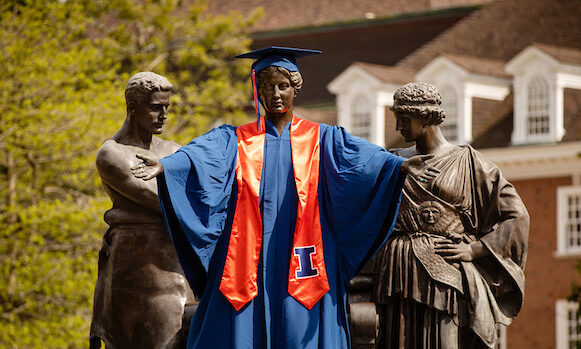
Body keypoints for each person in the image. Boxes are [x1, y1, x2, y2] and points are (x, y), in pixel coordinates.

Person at [132, 47, 437, 349]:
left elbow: (362, 161)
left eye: (283, 86)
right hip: (248, 253)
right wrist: (166, 167)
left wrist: (396, 166)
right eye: (267, 87)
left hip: (307, 254)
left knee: (300, 319)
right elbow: (199, 158)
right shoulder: (234, 139)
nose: (276, 93)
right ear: (258, 92)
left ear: (295, 89)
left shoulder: (324, 138)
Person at [373, 82, 529, 349]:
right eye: (397, 119)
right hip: (396, 271)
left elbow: (517, 216)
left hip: (446, 276)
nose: (399, 127)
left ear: (426, 118)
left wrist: (476, 249)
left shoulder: (470, 163)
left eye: (404, 119)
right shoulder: (391, 161)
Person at [91, 72, 195, 349]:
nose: (163, 115)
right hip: (141, 267)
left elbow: (198, 197)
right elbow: (163, 202)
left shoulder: (174, 150)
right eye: (155, 107)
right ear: (132, 107)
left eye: (167, 107)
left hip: (182, 264)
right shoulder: (112, 154)